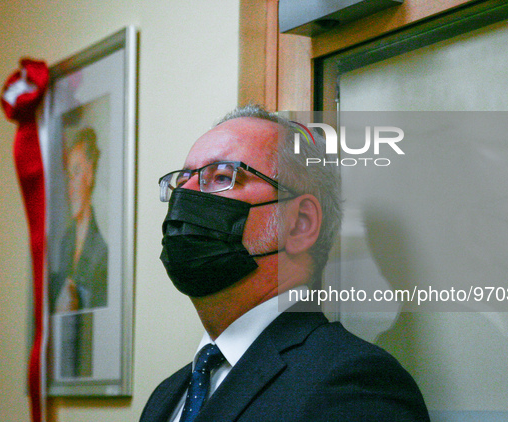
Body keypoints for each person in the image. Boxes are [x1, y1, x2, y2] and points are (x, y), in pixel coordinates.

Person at [140, 105, 430, 421]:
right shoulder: (165, 396)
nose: (185, 195)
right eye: (182, 180)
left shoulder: (353, 384)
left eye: (223, 176)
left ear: (300, 223)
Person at [51, 126, 108, 312]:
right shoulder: (65, 241)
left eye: (76, 172)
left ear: (90, 175)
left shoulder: (101, 250)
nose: (71, 187)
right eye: (69, 176)